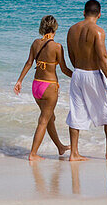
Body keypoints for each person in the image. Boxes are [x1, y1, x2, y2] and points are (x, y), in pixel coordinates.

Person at [65, 0, 107, 161]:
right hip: (94, 74)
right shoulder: (98, 31)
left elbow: (71, 55)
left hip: (77, 74)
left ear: (83, 12)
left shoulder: (72, 30)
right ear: (99, 14)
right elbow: (103, 57)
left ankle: (74, 153)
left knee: (76, 112)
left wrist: (78, 69)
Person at [14, 15, 73, 161]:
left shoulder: (35, 43)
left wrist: (19, 81)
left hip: (36, 86)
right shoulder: (57, 47)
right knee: (43, 120)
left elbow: (28, 63)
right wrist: (78, 76)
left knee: (49, 118)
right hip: (49, 87)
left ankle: (60, 146)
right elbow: (64, 69)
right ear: (55, 27)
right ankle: (33, 154)